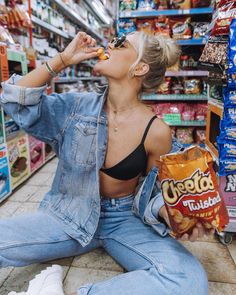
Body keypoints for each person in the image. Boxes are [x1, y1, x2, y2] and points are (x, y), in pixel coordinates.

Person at [0, 31, 210, 295]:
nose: (110, 43)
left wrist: (168, 212)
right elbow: (15, 100)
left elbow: (155, 188)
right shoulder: (77, 106)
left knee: (188, 279)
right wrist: (63, 59)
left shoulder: (157, 131)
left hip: (123, 220)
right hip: (68, 214)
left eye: (121, 43)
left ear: (140, 67)